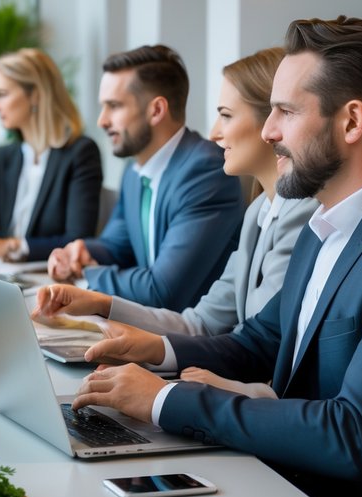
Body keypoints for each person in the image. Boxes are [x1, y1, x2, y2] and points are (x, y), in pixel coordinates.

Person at [69, 17, 362, 497]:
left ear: (352, 122)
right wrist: (155, 352)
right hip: (281, 483)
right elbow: (259, 342)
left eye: (285, 112)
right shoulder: (327, 221)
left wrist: (167, 401)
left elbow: (353, 434)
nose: (269, 130)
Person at [35, 48, 318, 398]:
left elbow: (260, 349)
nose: (214, 133)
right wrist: (100, 303)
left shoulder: (297, 212)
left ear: (272, 124)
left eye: (226, 116)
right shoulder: (258, 210)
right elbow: (199, 323)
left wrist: (174, 385)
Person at [47, 45, 243, 311]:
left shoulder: (205, 171)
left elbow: (162, 291)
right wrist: (81, 253)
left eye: (113, 106)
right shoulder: (134, 169)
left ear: (156, 110)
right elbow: (117, 244)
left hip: (193, 343)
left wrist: (85, 276)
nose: (102, 120)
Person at [0, 48, 103, 262]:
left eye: (1, 94)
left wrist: (8, 247)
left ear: (35, 94)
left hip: (48, 279)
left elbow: (77, 239)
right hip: (4, 273)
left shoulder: (80, 153)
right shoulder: (1, 157)